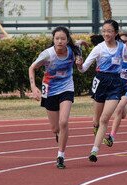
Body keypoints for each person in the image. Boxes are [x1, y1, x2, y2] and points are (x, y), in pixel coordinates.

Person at [76, 19, 127, 162]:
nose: (106, 34)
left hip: (115, 83)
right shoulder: (99, 48)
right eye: (104, 31)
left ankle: (94, 151)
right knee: (96, 121)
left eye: (109, 31)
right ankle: (96, 129)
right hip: (101, 82)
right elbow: (83, 69)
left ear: (115, 33)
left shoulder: (121, 47)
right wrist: (79, 65)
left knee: (104, 119)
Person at [28, 26, 82, 169]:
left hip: (66, 88)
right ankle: (58, 134)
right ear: (53, 40)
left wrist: (79, 60)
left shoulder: (72, 51)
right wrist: (33, 87)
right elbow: (31, 68)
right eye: (57, 38)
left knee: (63, 122)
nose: (60, 41)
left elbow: (79, 47)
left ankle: (60, 156)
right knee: (55, 128)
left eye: (63, 39)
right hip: (50, 90)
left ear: (67, 40)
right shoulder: (47, 54)